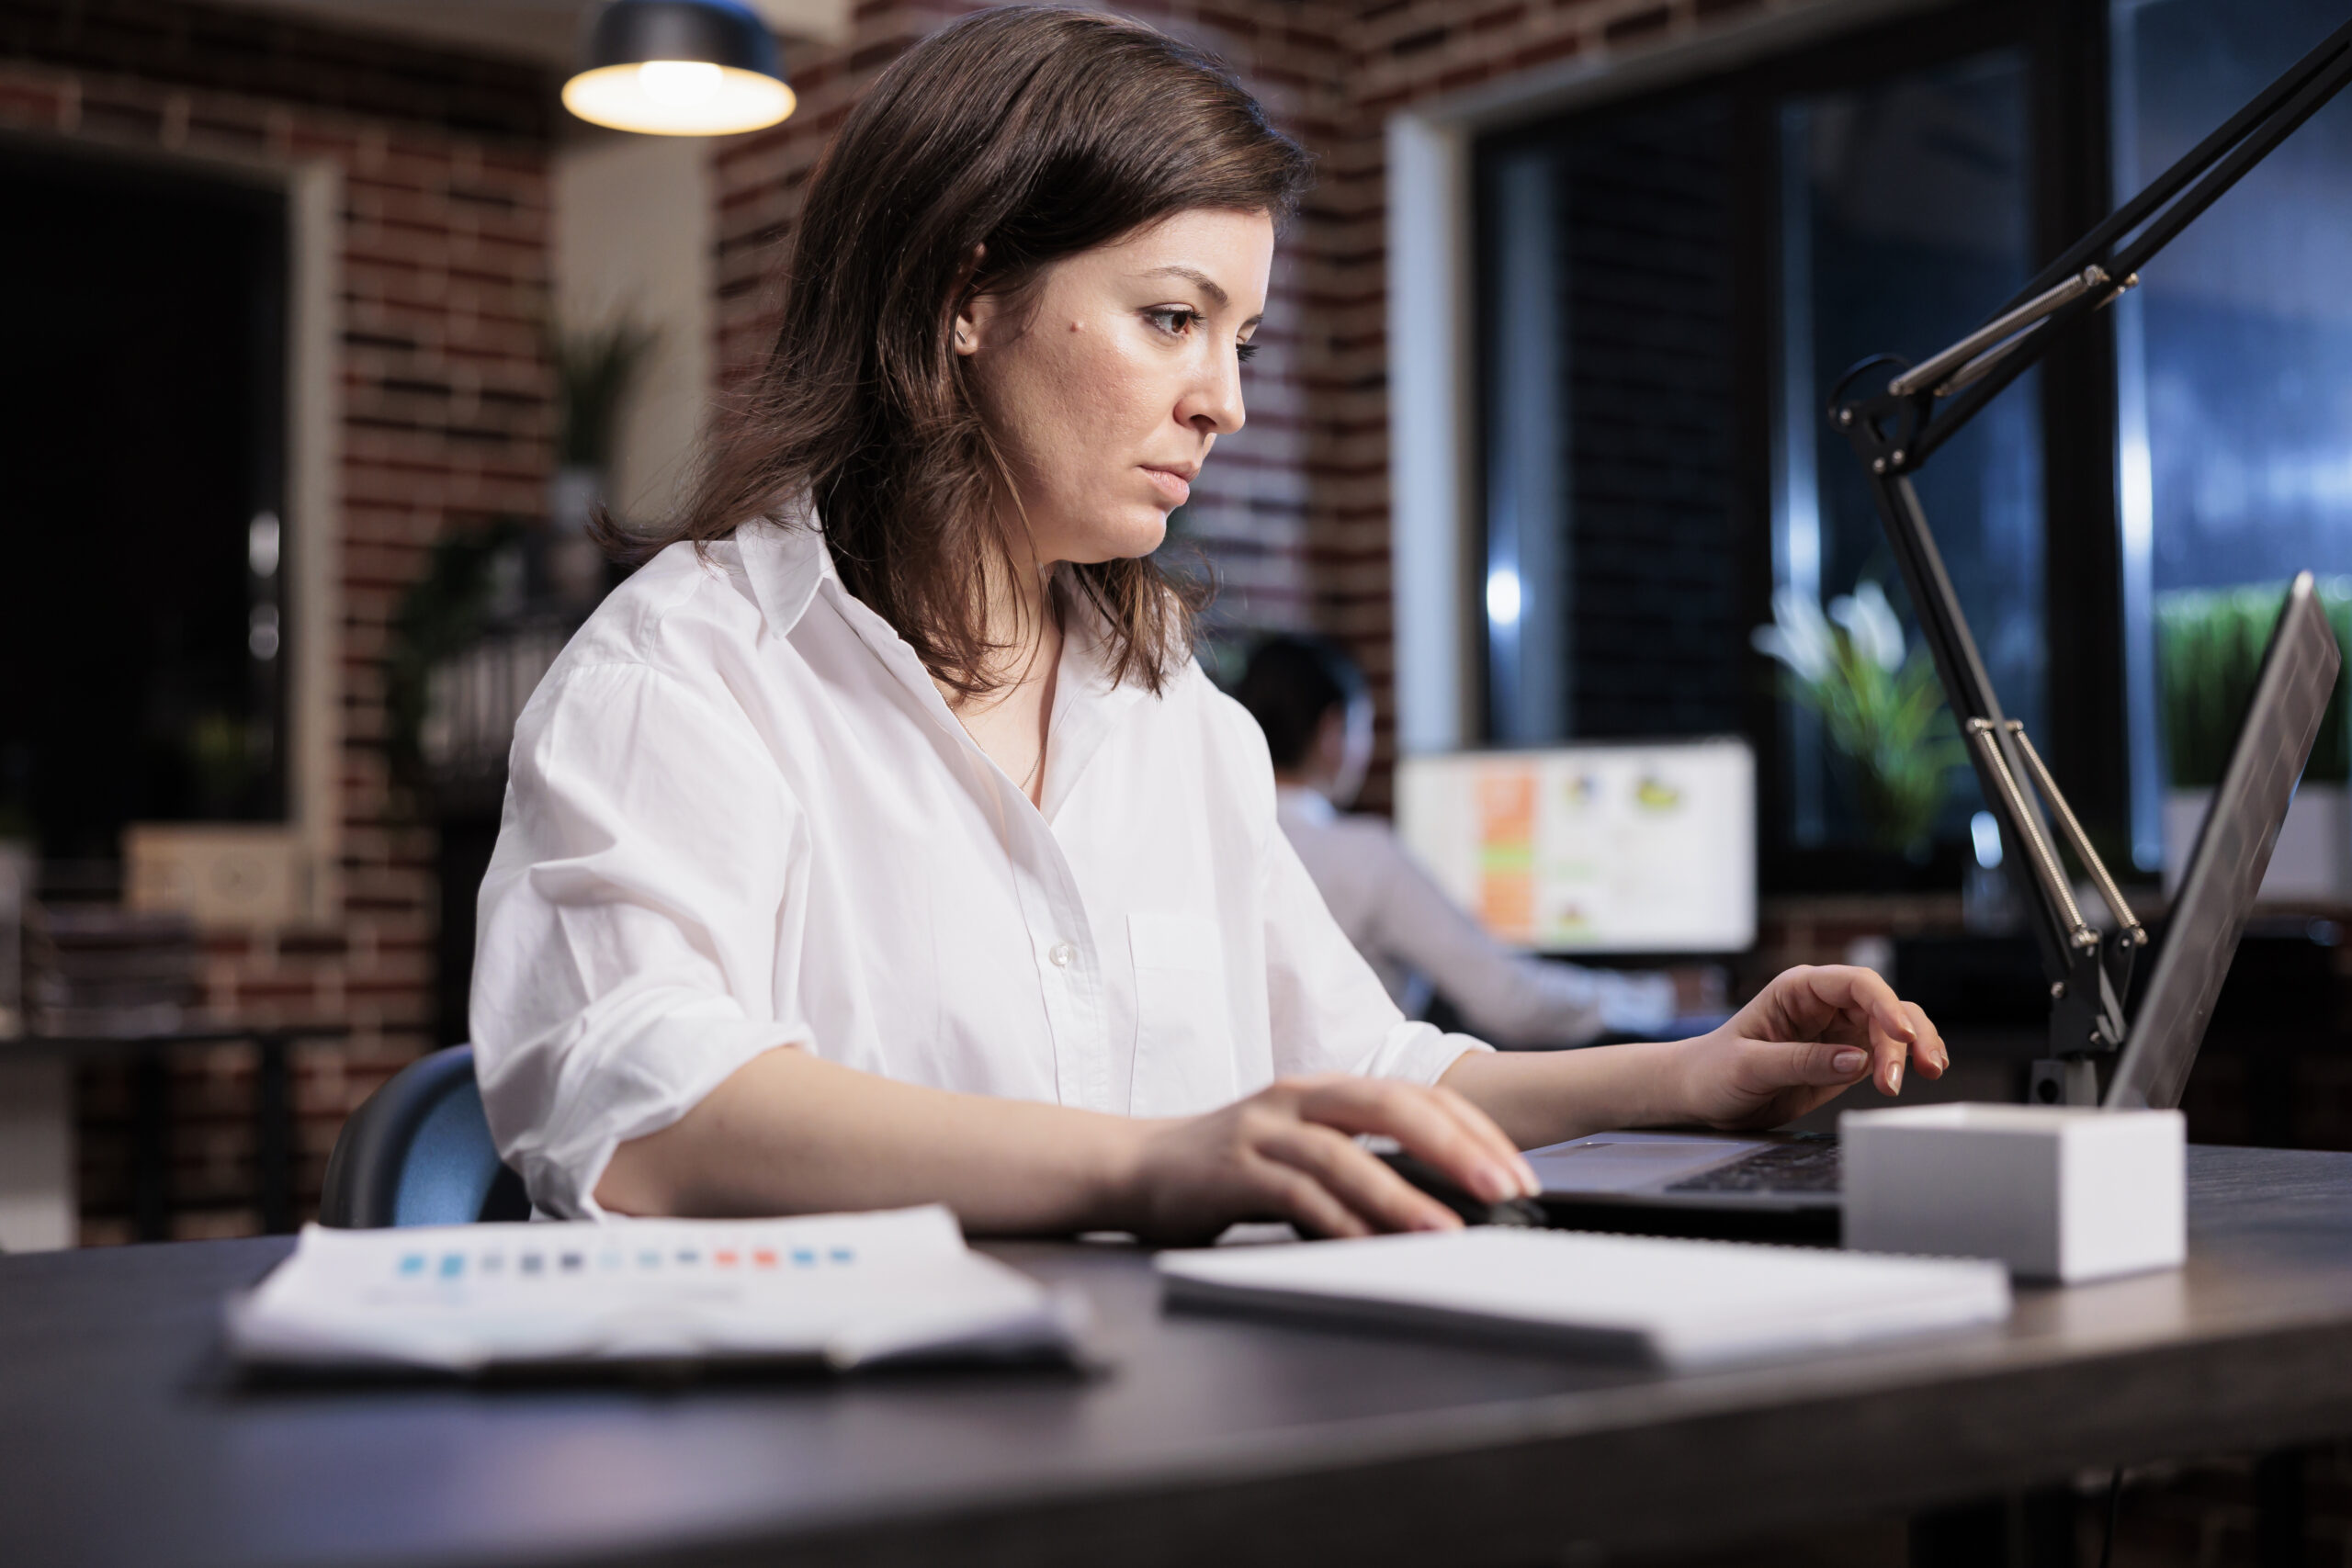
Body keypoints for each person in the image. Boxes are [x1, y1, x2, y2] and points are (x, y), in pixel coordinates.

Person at [469, 6, 1946, 1243]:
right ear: (963, 294)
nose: (1222, 402)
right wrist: (1145, 1159)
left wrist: (1692, 1072)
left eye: (1239, 342)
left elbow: (1361, 1067)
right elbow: (643, 1106)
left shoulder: (1175, 714)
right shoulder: (691, 668)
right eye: (1172, 319)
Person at [1232, 634, 1706, 1047]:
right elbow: (1510, 1001)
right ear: (1333, 731)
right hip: (1360, 1127)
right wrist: (1658, 995)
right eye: (1364, 727)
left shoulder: (1223, 848)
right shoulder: (1364, 856)